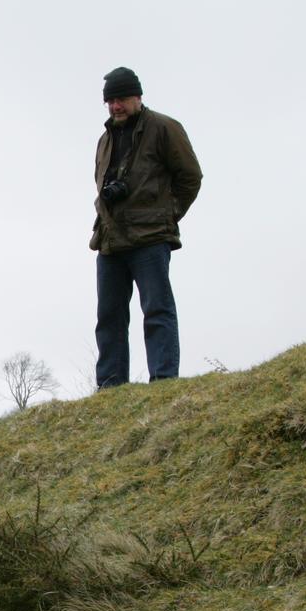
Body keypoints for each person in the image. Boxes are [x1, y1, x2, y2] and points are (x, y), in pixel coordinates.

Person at [91, 66, 203, 388]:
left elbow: (190, 177)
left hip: (151, 239)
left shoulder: (165, 128)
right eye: (110, 101)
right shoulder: (104, 139)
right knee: (109, 318)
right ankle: (110, 388)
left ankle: (164, 382)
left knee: (157, 310)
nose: (116, 106)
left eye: (122, 98)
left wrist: (167, 216)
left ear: (138, 97)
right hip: (110, 239)